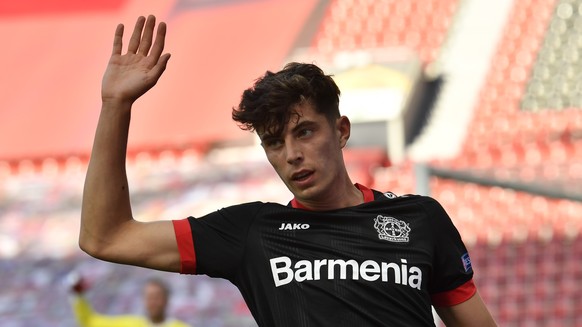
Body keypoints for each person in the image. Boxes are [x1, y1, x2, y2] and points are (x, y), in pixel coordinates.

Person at [79, 15, 497, 326]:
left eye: (305, 132)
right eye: (274, 143)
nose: (292, 154)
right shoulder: (250, 232)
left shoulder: (420, 219)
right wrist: (116, 106)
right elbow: (105, 236)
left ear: (341, 130)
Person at [69, 275, 190, 327]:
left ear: (166, 300)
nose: (152, 302)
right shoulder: (130, 324)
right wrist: (79, 295)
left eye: (156, 297)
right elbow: (90, 321)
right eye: (149, 297)